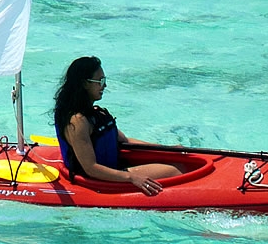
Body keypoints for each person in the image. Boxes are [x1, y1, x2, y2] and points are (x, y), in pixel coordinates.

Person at [53, 56, 181, 196]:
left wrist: (168, 150)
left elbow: (125, 141)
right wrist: (132, 178)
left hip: (114, 169)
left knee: (179, 163)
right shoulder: (77, 122)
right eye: (100, 81)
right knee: (174, 171)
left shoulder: (95, 113)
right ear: (85, 84)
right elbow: (91, 168)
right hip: (99, 180)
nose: (104, 86)